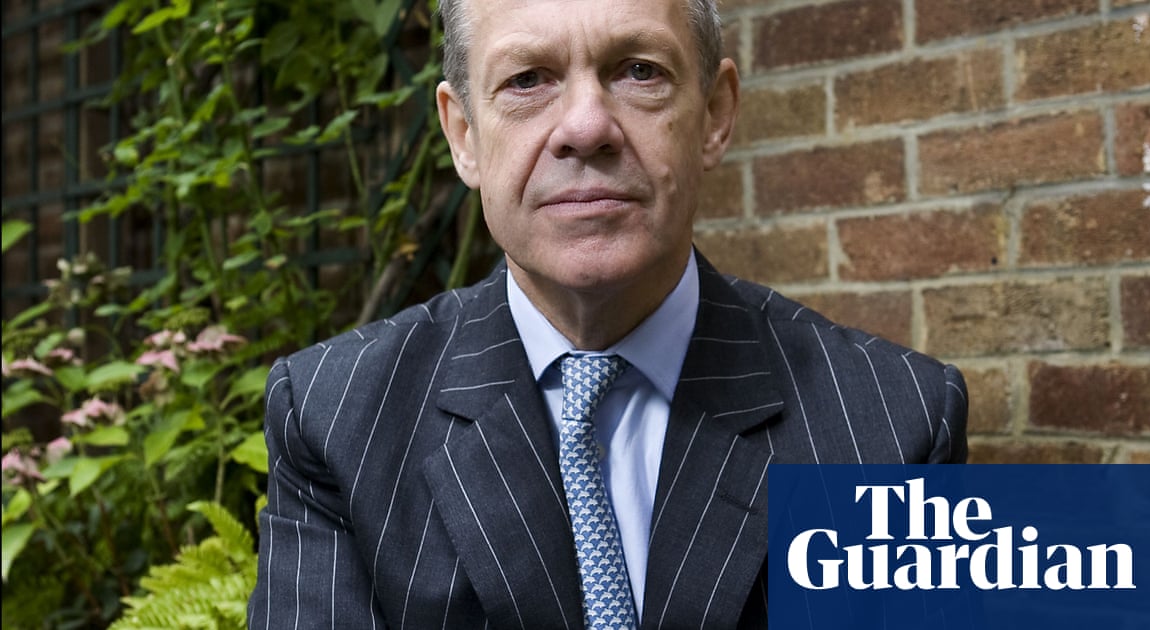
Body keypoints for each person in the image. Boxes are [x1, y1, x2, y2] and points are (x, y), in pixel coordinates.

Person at [247, 0, 968, 627]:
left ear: (714, 115)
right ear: (464, 135)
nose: (586, 126)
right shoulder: (337, 419)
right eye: (527, 80)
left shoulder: (893, 422)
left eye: (639, 71)